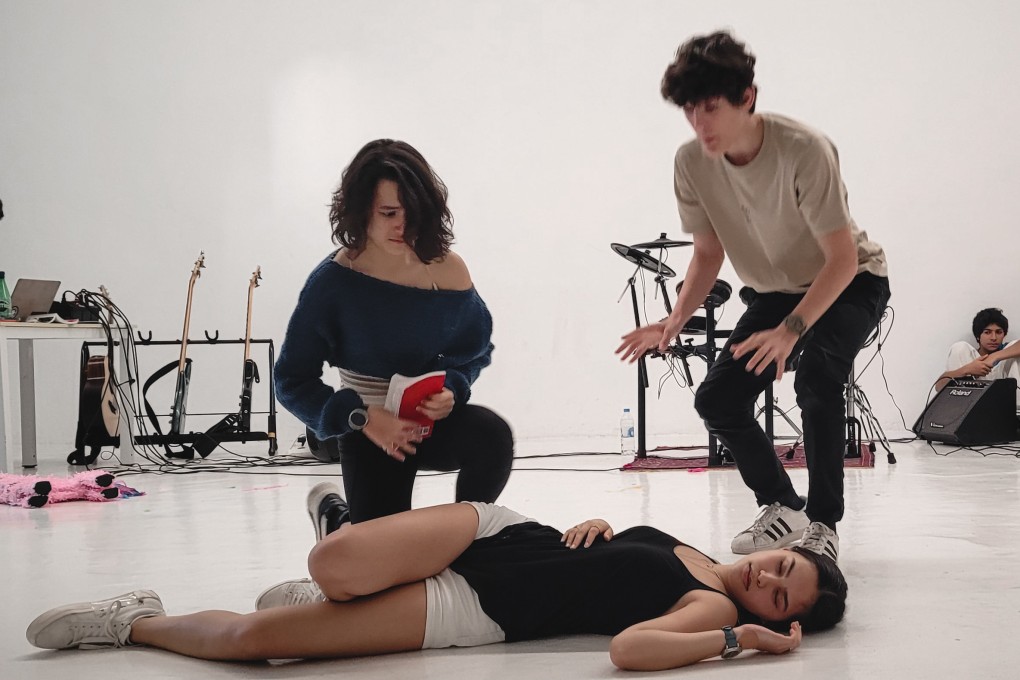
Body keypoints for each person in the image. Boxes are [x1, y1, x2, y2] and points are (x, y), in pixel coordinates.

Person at [26, 484, 847, 671]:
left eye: (779, 595)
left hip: (475, 605)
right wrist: (599, 526)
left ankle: (130, 619)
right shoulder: (698, 551)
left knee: (254, 644)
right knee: (330, 560)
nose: (767, 577)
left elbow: (629, 651)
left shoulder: (708, 604)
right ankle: (338, 577)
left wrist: (741, 637)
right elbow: (611, 553)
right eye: (782, 566)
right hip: (500, 530)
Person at [617, 31, 891, 561]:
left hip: (850, 281)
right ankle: (783, 506)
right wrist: (674, 320)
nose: (700, 124)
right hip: (774, 291)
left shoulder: (804, 149)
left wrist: (792, 331)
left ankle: (823, 523)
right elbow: (707, 252)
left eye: (711, 108)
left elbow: (841, 259)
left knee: (817, 379)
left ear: (747, 98)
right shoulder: (691, 162)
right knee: (717, 400)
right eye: (690, 111)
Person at [275, 139, 514, 525]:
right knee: (379, 563)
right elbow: (290, 380)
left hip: (430, 423)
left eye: (412, 212)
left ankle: (468, 541)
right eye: (388, 212)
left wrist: (453, 387)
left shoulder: (447, 270)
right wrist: (361, 417)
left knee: (492, 437)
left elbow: (474, 350)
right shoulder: (333, 283)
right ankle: (334, 517)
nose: (402, 225)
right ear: (360, 211)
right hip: (370, 430)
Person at [936, 308, 1020, 408]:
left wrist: (994, 357)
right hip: (971, 406)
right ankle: (960, 413)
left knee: (1015, 349)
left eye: (998, 332)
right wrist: (968, 370)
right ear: (978, 336)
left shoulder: (1007, 351)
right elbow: (939, 386)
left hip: (1006, 406)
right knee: (959, 347)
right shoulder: (968, 355)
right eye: (987, 332)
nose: (993, 337)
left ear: (1004, 334)